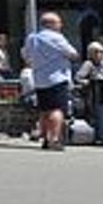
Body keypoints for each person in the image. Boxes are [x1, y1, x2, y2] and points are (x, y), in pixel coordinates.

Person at [23, 12, 79, 151]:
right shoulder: (57, 38)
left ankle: (46, 138)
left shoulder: (32, 38)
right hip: (57, 78)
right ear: (51, 24)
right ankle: (54, 139)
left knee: (44, 110)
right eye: (59, 23)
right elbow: (73, 53)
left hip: (39, 79)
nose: (61, 25)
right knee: (57, 109)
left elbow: (26, 56)